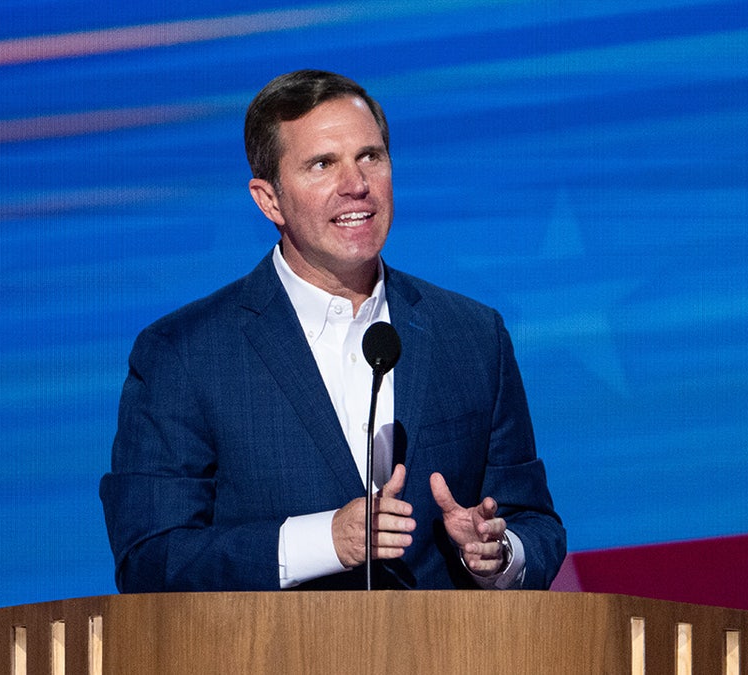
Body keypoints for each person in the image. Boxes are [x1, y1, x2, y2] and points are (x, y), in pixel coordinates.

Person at [100, 70, 565, 591]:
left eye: (370, 156)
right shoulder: (184, 355)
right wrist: (327, 540)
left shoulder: (473, 335)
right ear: (268, 199)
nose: (356, 185)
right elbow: (150, 560)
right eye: (323, 164)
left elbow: (535, 523)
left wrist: (498, 552)